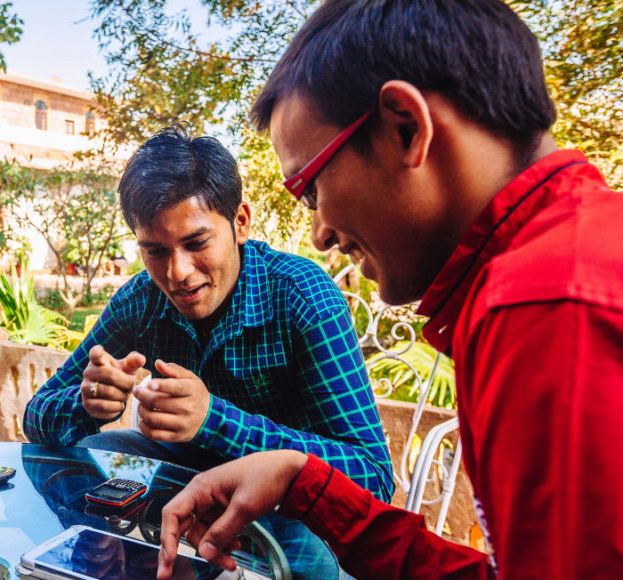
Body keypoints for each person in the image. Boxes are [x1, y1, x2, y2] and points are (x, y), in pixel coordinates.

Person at [157, 0, 623, 578]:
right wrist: (301, 479)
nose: (319, 233)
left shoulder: (546, 308)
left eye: (310, 189)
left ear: (407, 128)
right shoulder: (560, 267)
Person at [24, 125, 393, 577]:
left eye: (196, 243)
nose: (177, 272)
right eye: (155, 251)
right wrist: (86, 404)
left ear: (240, 222)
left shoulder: (301, 296)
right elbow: (37, 417)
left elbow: (373, 478)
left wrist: (215, 420)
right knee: (92, 448)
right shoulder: (140, 299)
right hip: (177, 497)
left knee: (300, 546)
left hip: (285, 511)